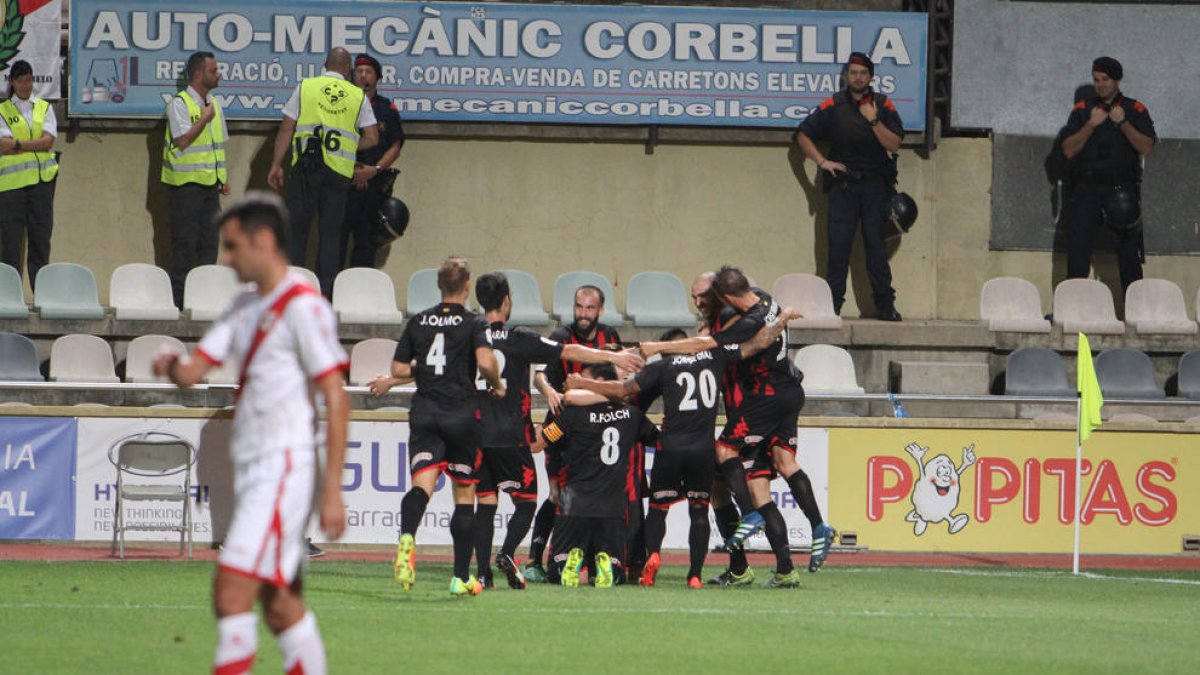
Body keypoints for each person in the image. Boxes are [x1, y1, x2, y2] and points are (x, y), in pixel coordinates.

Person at [152, 192, 349, 674]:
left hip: (284, 469)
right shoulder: (243, 305)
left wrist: (331, 491)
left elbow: (336, 397)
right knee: (280, 606)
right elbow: (196, 370)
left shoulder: (304, 307)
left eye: (232, 246)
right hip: (255, 471)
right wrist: (174, 366)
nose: (225, 258)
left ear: (263, 241)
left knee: (230, 590)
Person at [640, 266, 836, 588]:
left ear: (721, 295)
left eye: (703, 295)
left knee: (724, 465)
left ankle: (746, 552)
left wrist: (657, 348)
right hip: (762, 404)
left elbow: (754, 341)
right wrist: (783, 315)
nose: (698, 301)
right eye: (694, 296)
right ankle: (783, 566)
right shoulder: (747, 306)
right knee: (758, 483)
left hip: (755, 406)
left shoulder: (737, 320)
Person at [567, 312, 796, 588]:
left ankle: (651, 558)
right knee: (699, 510)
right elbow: (756, 344)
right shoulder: (715, 357)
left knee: (658, 509)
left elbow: (622, 390)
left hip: (670, 446)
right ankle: (696, 574)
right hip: (703, 448)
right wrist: (780, 319)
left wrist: (582, 382)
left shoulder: (663, 367)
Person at [471, 272, 643, 589]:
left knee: (485, 503)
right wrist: (611, 355)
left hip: (477, 433)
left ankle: (483, 573)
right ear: (507, 299)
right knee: (525, 502)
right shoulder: (519, 337)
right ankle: (510, 553)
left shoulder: (472, 335)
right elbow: (567, 352)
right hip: (511, 434)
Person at [369, 256, 503, 596]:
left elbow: (399, 369)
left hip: (425, 413)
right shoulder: (473, 322)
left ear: (440, 285)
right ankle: (460, 577)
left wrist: (408, 374)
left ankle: (406, 540)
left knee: (421, 487)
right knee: (463, 495)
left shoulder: (419, 321)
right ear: (467, 285)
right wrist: (497, 383)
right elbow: (486, 363)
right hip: (461, 416)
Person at [795, 52, 905, 321]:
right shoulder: (834, 103)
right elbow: (802, 134)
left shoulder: (882, 104)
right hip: (843, 186)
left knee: (876, 249)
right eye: (853, 72)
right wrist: (822, 162)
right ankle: (831, 308)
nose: (858, 77)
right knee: (838, 250)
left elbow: (894, 144)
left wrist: (873, 120)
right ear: (847, 76)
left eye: (863, 73)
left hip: (875, 187)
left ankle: (885, 305)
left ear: (871, 77)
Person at [524, 284, 623, 581]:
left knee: (589, 495)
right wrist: (551, 392)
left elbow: (620, 379)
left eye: (589, 308)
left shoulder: (611, 337)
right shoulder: (560, 337)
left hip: (594, 430)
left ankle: (590, 559)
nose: (583, 314)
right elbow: (539, 374)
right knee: (556, 495)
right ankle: (535, 559)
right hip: (563, 426)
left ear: (600, 310)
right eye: (579, 307)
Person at [268, 47, 379, 297]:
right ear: (348, 69)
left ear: (324, 65)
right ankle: (326, 294)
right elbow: (372, 137)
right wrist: (348, 147)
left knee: (297, 230)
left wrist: (276, 163)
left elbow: (287, 128)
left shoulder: (306, 86)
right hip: (339, 172)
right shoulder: (358, 95)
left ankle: (291, 292)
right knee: (331, 234)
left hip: (307, 167)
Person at [541, 363, 660, 588]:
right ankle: (606, 567)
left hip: (574, 504)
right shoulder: (632, 415)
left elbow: (543, 440)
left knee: (557, 575)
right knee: (615, 576)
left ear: (599, 382)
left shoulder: (572, 416)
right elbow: (657, 440)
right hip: (613, 508)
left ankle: (575, 568)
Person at [1061, 56, 1156, 291]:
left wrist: (1122, 123)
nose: (1100, 85)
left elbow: (1147, 147)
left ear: (1117, 80)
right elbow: (1068, 150)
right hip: (1087, 189)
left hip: (1121, 188)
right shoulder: (1084, 110)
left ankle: (1134, 312)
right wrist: (1091, 124)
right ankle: (1074, 311)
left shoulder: (1134, 109)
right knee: (1077, 251)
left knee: (1129, 254)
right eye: (1096, 80)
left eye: (1105, 79)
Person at [161, 51, 229, 308]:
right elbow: (183, 140)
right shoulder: (179, 104)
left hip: (210, 186)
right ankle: (178, 302)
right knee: (184, 244)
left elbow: (217, 146)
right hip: (185, 186)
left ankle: (205, 299)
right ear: (199, 74)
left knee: (210, 243)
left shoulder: (214, 106)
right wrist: (203, 119)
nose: (218, 74)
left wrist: (223, 177)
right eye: (214, 70)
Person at [342, 54, 404, 270]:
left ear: (377, 77)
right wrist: (353, 170)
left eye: (368, 72)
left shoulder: (387, 109)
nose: (362, 76)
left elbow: (395, 146)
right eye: (358, 72)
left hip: (374, 186)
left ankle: (360, 295)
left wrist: (373, 170)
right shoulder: (343, 104)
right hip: (344, 182)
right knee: (336, 242)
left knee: (366, 244)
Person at [0, 60, 58, 291]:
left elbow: (49, 141)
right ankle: (9, 295)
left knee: (40, 240)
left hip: (41, 185)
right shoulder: (3, 110)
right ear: (13, 82)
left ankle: (42, 294)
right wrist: (32, 144)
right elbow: (3, 145)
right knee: (11, 242)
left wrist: (18, 143)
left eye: (29, 79)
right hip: (11, 187)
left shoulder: (44, 107)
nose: (26, 85)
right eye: (21, 80)